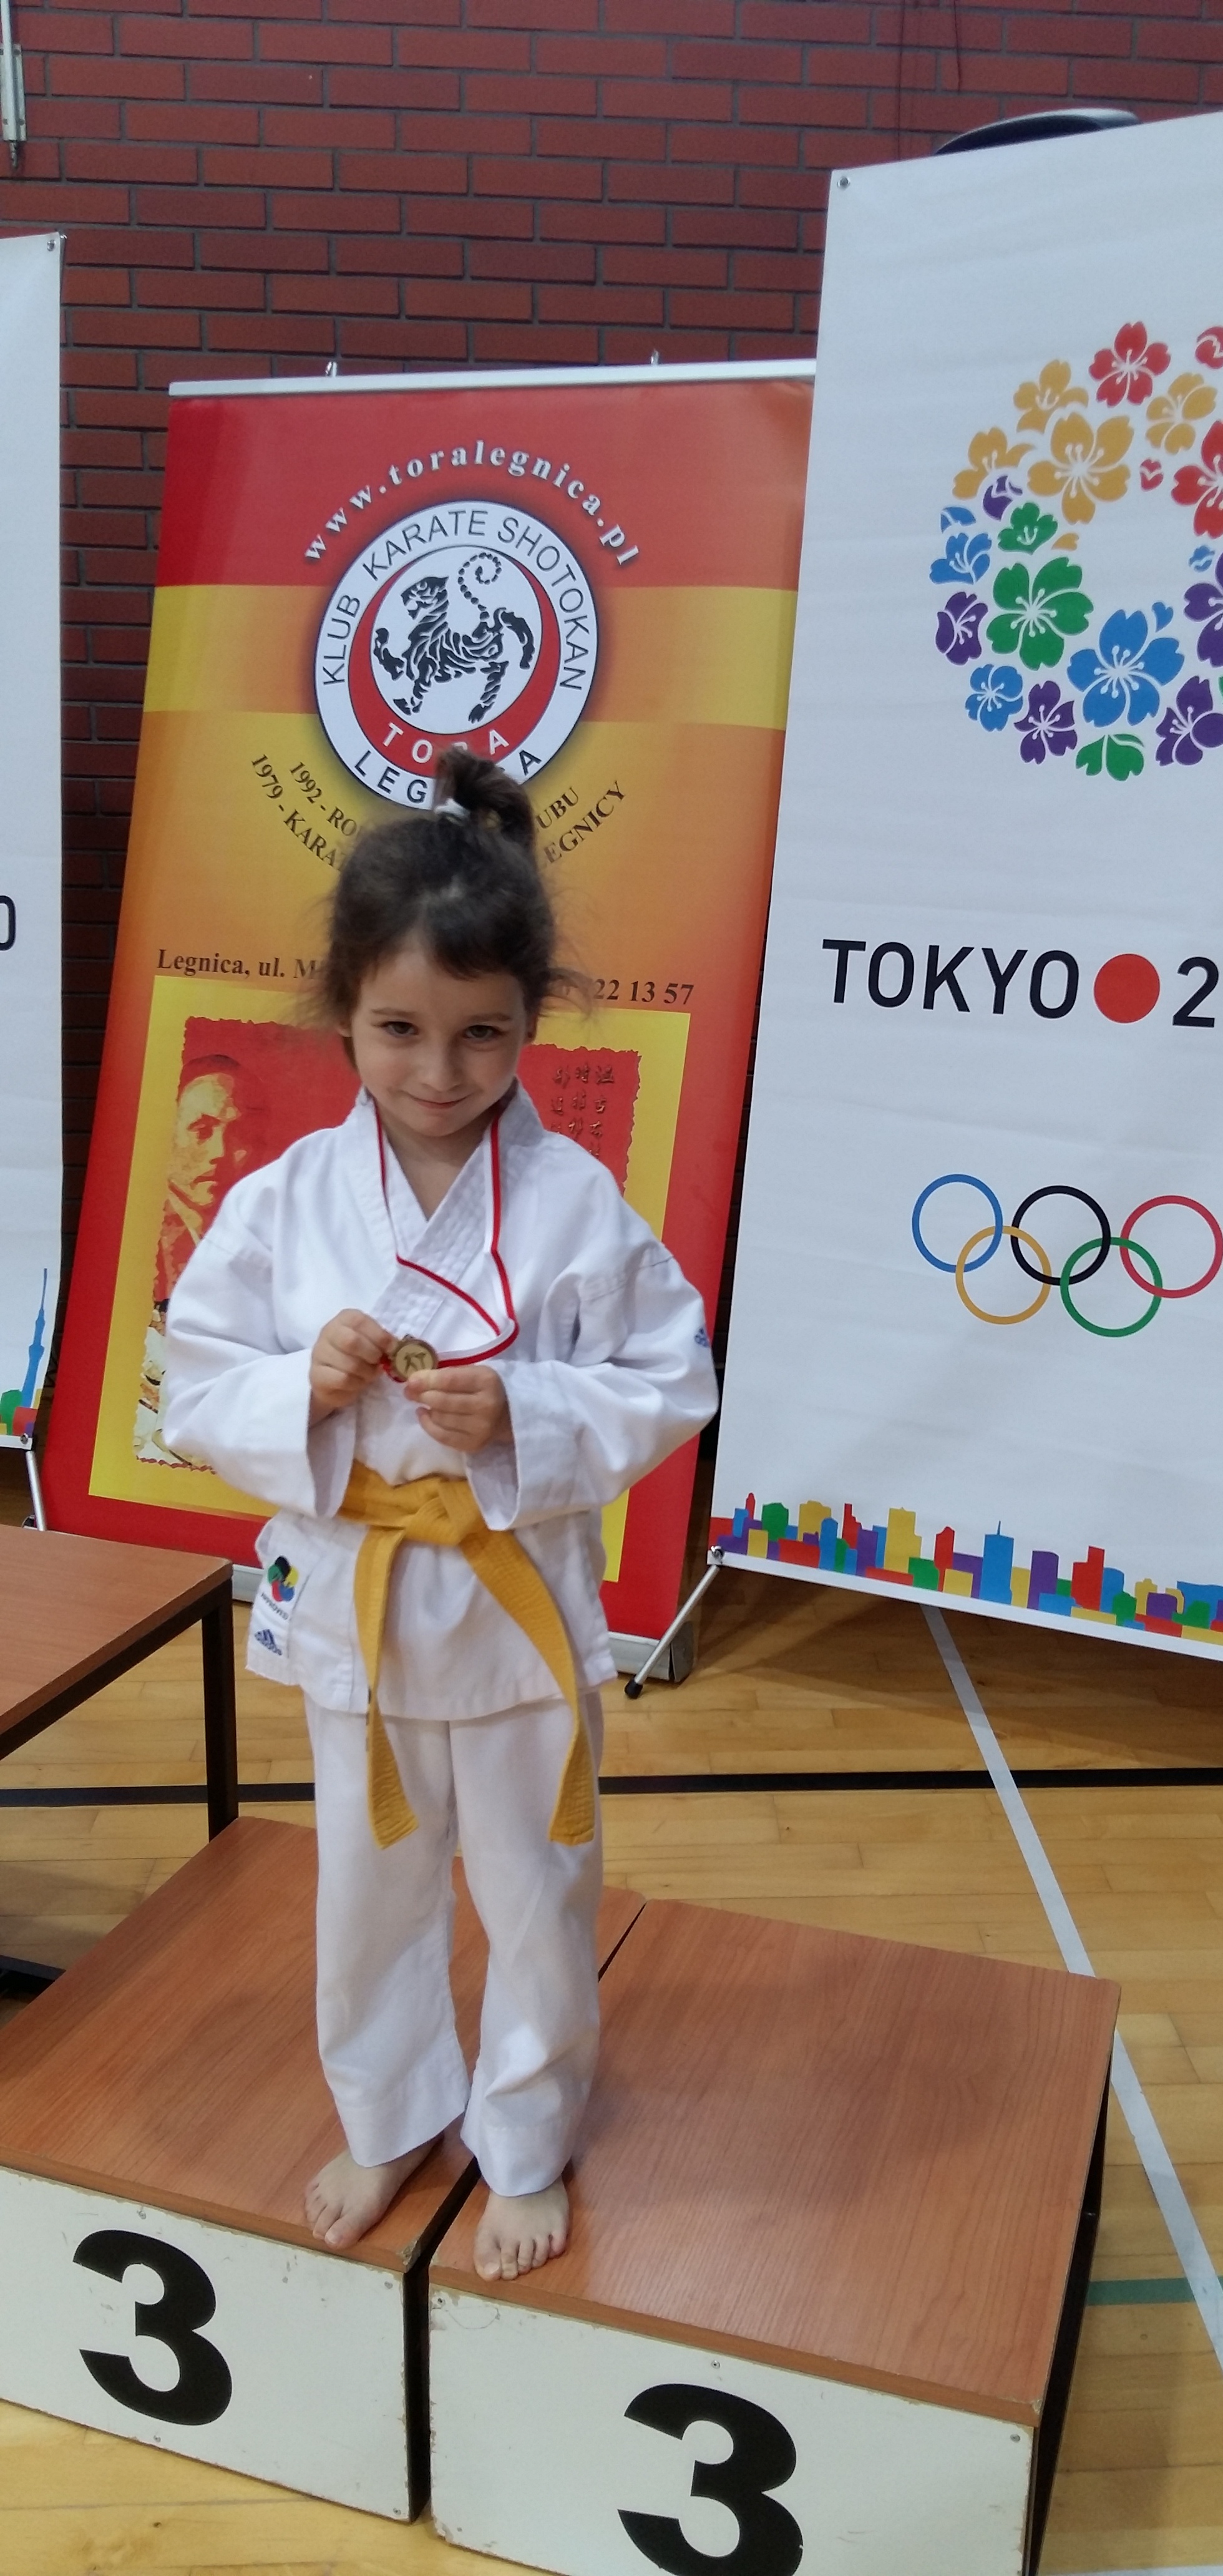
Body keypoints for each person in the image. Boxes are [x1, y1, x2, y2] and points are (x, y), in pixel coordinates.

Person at [162, 751, 717, 2281]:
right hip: (361, 1594)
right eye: (399, 1028)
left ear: (531, 1022)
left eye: (483, 1033)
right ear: (342, 1008)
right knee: (369, 1881)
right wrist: (305, 1382)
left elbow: (674, 1376)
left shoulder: (573, 1202)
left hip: (513, 1598)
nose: (438, 1070)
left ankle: (524, 2137)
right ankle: (389, 2109)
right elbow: (193, 1378)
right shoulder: (285, 1201)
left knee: (536, 1887)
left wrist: (526, 1411)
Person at [135, 1053, 262, 1464]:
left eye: (239, 1133)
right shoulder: (136, 1236)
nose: (221, 1152)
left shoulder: (264, 1235)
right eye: (202, 1130)